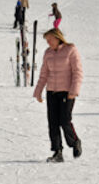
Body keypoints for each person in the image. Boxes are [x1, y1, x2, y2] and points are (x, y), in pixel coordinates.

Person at [33, 28, 84, 162]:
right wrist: (38, 91)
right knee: (53, 122)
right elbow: (44, 74)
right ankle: (57, 152)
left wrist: (74, 91)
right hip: (52, 92)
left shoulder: (70, 50)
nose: (48, 43)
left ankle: (75, 141)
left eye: (50, 39)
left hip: (67, 92)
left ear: (57, 37)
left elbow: (77, 72)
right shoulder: (48, 53)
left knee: (65, 120)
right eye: (47, 40)